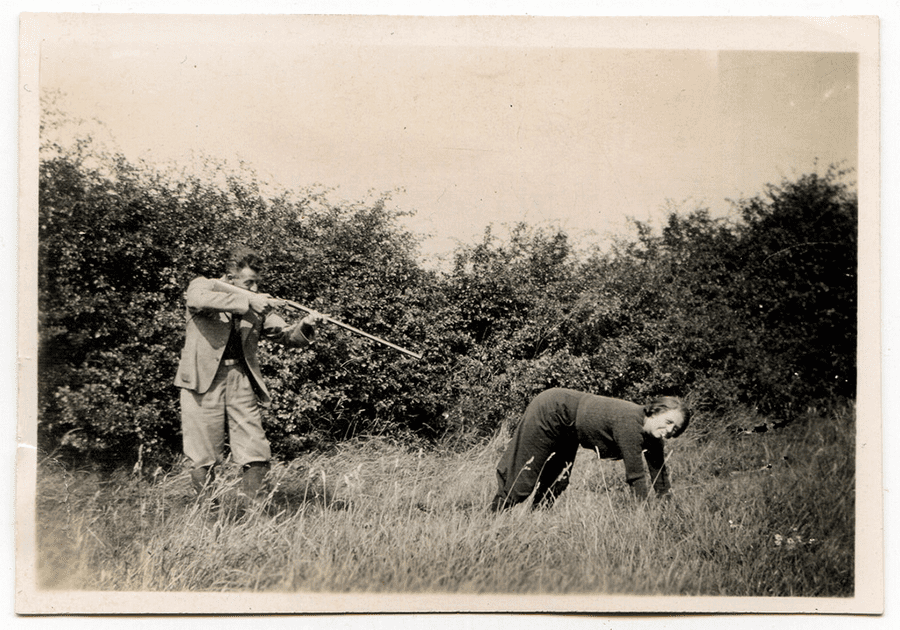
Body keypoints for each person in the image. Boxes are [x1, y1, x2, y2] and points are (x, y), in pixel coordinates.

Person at [174, 247, 324, 510]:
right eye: (248, 283)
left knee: (256, 449)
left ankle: (254, 512)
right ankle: (209, 517)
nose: (254, 288)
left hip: (241, 379)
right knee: (202, 456)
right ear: (230, 279)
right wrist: (246, 301)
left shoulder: (257, 305)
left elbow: (287, 336)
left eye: (257, 283)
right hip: (200, 381)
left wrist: (307, 324)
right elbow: (196, 299)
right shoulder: (204, 285)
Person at [490, 388, 690, 511]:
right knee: (523, 477)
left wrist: (668, 508)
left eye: (676, 428)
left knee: (558, 480)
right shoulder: (631, 423)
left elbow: (659, 474)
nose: (670, 430)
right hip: (553, 409)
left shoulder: (654, 435)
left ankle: (535, 522)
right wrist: (644, 515)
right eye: (669, 421)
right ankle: (493, 518)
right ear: (656, 412)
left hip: (571, 428)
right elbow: (636, 476)